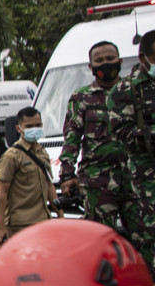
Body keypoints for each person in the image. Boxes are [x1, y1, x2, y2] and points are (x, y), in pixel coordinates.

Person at [59, 41, 144, 245]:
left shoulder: (134, 92)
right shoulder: (81, 98)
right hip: (98, 182)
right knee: (100, 240)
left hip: (137, 179)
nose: (105, 64)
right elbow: (72, 137)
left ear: (120, 61)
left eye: (110, 59)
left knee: (146, 237)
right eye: (99, 60)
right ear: (91, 66)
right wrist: (67, 174)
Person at [110, 29, 155, 271]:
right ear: (143, 58)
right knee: (149, 237)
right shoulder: (126, 91)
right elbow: (123, 133)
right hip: (146, 178)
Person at [0, 107, 61, 244]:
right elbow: (2, 192)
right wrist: (0, 226)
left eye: (38, 125)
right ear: (19, 129)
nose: (34, 129)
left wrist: (60, 215)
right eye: (29, 126)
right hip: (20, 225)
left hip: (43, 221)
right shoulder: (11, 156)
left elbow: (49, 186)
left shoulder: (42, 152)